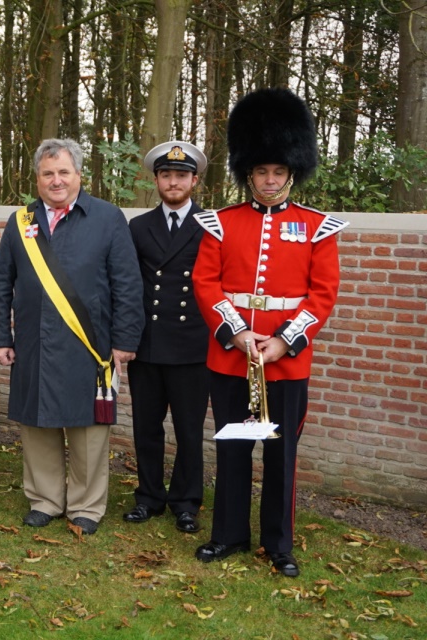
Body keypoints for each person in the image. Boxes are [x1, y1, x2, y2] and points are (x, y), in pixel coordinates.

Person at [191, 88, 347, 577]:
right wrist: (238, 334)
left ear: (292, 171)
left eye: (279, 170)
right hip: (232, 360)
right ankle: (229, 535)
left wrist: (282, 341)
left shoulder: (317, 227)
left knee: (281, 454)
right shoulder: (220, 223)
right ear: (248, 173)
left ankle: (280, 544)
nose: (271, 179)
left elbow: (322, 294)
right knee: (234, 448)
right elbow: (205, 282)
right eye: (262, 171)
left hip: (286, 363)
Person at [0, 138, 144, 535]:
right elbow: (1, 282)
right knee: (37, 425)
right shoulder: (23, 222)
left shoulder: (108, 218)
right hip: (33, 343)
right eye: (48, 173)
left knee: (89, 428)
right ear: (37, 179)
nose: (56, 181)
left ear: (79, 176)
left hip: (90, 346)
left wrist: (125, 341)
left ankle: (86, 506)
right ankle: (45, 500)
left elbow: (127, 284)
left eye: (63, 172)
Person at [124, 141, 210, 534]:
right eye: (166, 175)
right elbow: (127, 285)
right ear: (156, 179)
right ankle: (149, 497)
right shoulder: (138, 227)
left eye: (181, 175)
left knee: (190, 430)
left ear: (194, 180)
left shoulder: (212, 226)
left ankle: (186, 502)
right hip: (149, 344)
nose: (173, 182)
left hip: (193, 345)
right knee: (146, 427)